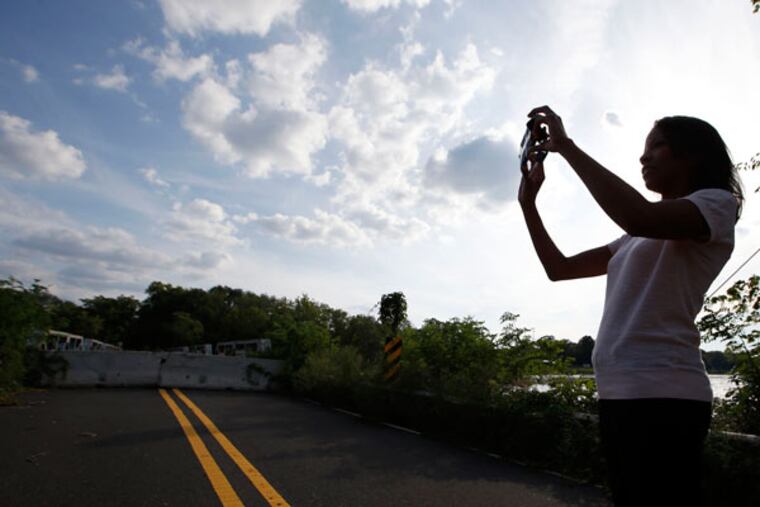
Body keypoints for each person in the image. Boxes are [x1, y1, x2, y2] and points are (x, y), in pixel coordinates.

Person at [518, 105, 744, 506]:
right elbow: (559, 268)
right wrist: (528, 206)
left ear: (691, 155)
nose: (643, 156)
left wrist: (566, 147)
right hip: (620, 392)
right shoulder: (635, 238)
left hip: (667, 394)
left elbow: (637, 214)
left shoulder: (715, 205)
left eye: (656, 146)